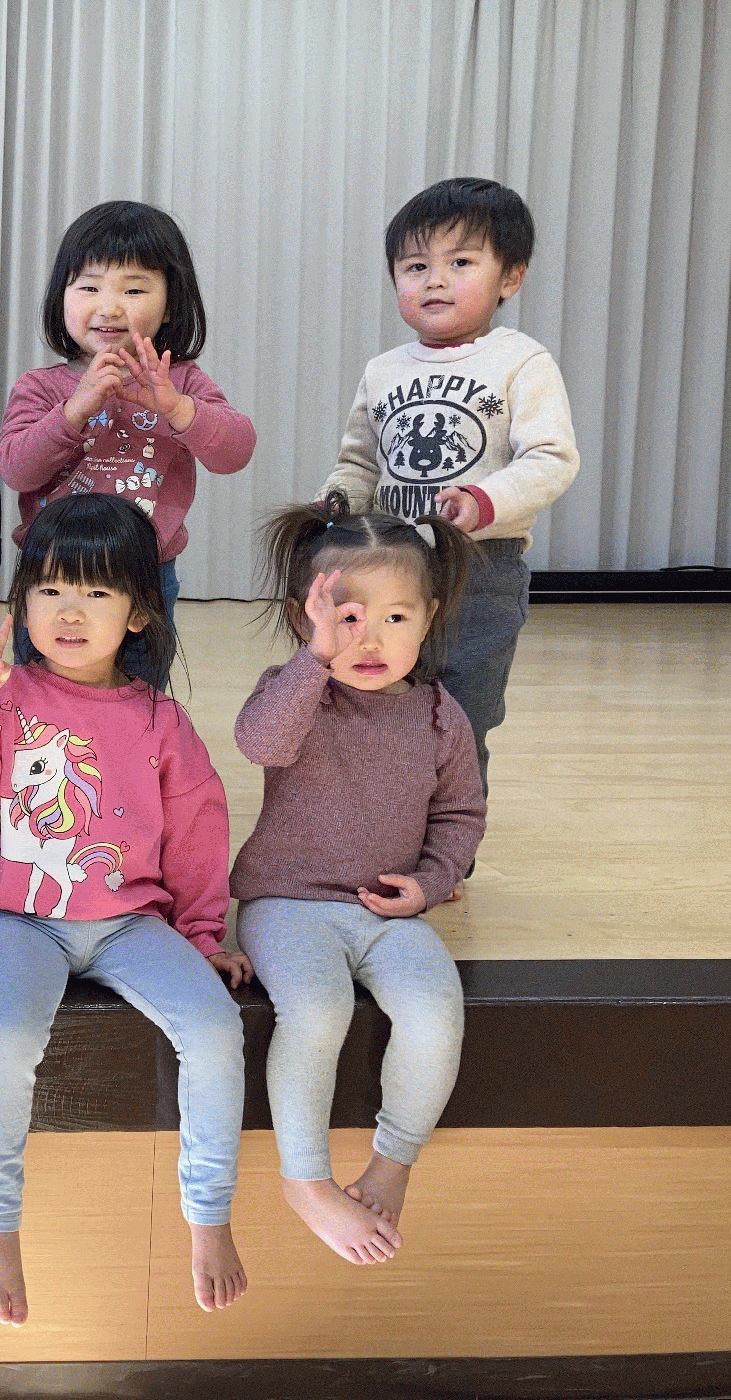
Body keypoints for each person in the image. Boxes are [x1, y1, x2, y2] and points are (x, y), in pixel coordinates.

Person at [0, 493, 252, 1325]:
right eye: (51, 589)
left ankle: (208, 1214)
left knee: (216, 1028)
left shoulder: (160, 719)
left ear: (139, 612)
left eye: (97, 592)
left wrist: (202, 935)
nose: (69, 612)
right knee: (5, 1044)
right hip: (17, 919)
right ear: (22, 601)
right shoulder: (1, 694)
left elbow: (198, 832)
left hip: (132, 924)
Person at [232, 501, 484, 1264]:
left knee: (436, 1013)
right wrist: (314, 659)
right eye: (347, 618)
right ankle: (304, 1180)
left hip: (388, 914)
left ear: (429, 617)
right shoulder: (297, 689)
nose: (370, 640)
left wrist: (430, 883)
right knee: (317, 1011)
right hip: (288, 902)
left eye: (396, 618)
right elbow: (260, 743)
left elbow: (460, 817)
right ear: (305, 616)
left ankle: (392, 1162)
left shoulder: (440, 715)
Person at [321, 176, 579, 795]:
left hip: (481, 570)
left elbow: (552, 459)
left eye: (460, 263)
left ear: (510, 277)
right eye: (415, 267)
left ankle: (452, 835)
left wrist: (485, 501)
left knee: (464, 713)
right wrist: (337, 503)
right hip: (392, 569)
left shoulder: (521, 361)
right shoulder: (383, 370)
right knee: (385, 703)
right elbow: (360, 463)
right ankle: (388, 822)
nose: (434, 280)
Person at [0, 200, 254, 686]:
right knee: (39, 694)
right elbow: (16, 469)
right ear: (61, 296)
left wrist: (177, 408)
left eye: (133, 289)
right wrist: (75, 409)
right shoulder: (41, 386)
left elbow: (235, 451)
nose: (109, 306)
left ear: (170, 303)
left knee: (140, 694)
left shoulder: (180, 383)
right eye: (89, 287)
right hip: (51, 576)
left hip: (144, 575)